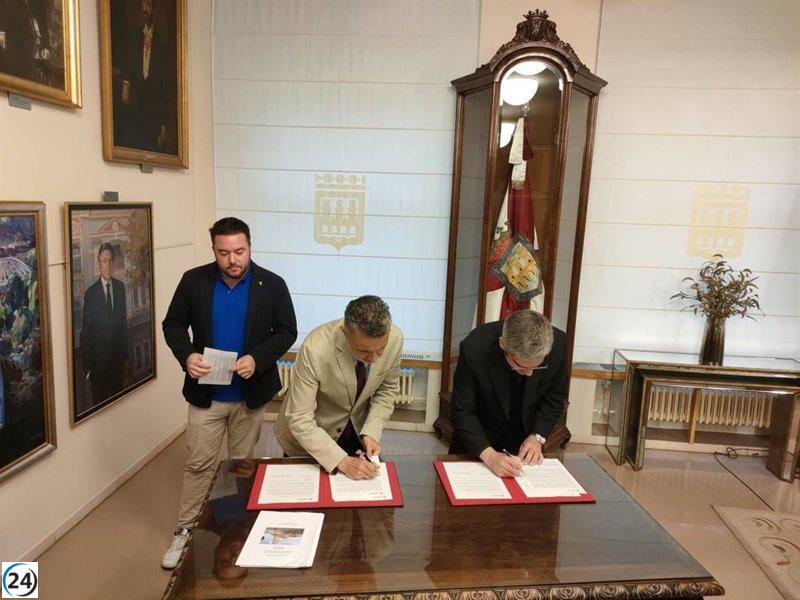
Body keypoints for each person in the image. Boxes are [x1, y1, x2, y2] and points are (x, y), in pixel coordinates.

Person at [160, 217, 297, 569]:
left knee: (240, 467)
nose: (232, 260)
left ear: (250, 247)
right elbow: (172, 324)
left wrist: (259, 358)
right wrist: (187, 355)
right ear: (214, 251)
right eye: (224, 253)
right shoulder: (194, 281)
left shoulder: (273, 284)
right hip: (207, 396)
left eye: (239, 251)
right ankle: (186, 532)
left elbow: (287, 331)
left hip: (249, 396)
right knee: (199, 464)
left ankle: (237, 530)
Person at [276, 296, 402, 479]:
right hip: (310, 438)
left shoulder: (395, 339)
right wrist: (342, 461)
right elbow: (299, 417)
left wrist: (371, 432)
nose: (374, 358)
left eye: (380, 350)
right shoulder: (315, 348)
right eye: (364, 351)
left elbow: (387, 389)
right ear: (345, 332)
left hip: (354, 432)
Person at [449, 309, 568, 478]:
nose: (529, 374)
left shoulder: (558, 345)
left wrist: (537, 437)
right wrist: (489, 455)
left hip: (524, 445)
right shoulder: (475, 348)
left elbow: (555, 399)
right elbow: (462, 411)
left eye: (536, 366)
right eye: (520, 366)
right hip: (478, 440)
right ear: (502, 344)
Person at [112, 0, 177, 153]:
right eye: (144, 4)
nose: (145, 8)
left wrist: (163, 125)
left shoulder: (162, 45)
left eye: (149, 4)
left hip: (153, 110)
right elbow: (129, 63)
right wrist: (126, 83)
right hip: (136, 105)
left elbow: (165, 88)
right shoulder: (134, 37)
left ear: (155, 9)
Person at [80, 243, 128, 408]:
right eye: (103, 261)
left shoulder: (120, 289)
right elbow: (85, 333)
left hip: (117, 365)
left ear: (113, 263)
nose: (107, 265)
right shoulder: (91, 295)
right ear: (98, 263)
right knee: (100, 411)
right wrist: (88, 369)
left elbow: (123, 326)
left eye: (109, 261)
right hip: (98, 368)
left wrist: (124, 359)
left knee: (117, 407)